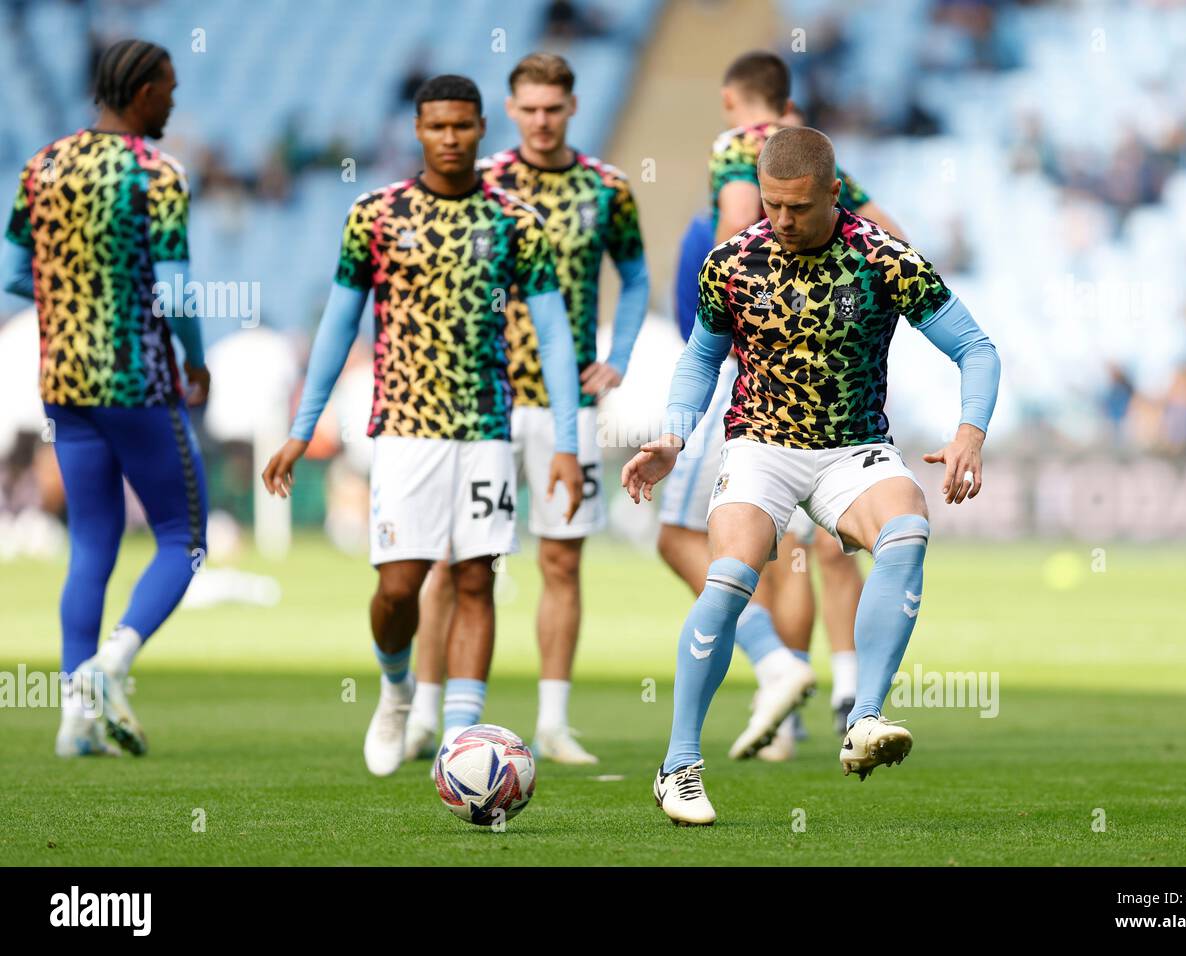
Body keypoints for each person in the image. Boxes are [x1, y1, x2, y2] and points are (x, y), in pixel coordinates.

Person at [623, 127, 1000, 825]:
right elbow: (701, 360)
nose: (784, 222)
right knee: (731, 573)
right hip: (758, 445)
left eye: (798, 207)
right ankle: (678, 766)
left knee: (908, 526)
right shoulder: (732, 261)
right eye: (772, 206)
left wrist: (969, 435)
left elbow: (976, 348)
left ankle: (863, 718)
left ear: (835, 191)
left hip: (852, 449)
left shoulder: (884, 259)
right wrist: (674, 437)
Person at [260, 75, 583, 777]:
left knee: (476, 578)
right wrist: (301, 425)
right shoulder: (375, 214)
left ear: (479, 129)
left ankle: (459, 745)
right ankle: (396, 688)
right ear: (417, 129)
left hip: (488, 431)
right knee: (399, 588)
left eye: (463, 126)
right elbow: (339, 322)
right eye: (437, 126)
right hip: (405, 429)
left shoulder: (513, 221)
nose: (450, 138)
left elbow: (554, 336)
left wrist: (565, 440)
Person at [405, 53, 649, 764]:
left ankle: (553, 723)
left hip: (564, 404)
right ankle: (427, 710)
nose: (542, 121)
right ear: (510, 112)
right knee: (454, 560)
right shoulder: (480, 186)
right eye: (530, 109)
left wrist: (621, 353)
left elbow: (635, 277)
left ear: (572, 107)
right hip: (480, 399)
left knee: (562, 563)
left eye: (554, 108)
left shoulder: (607, 189)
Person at [1, 39, 208, 758]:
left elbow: (13, 272)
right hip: (138, 381)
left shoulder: (42, 164)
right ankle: (109, 668)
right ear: (142, 90)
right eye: (169, 89)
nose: (174, 101)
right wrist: (195, 357)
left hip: (62, 383)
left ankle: (70, 722)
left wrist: (73, 292)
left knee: (90, 544)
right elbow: (178, 292)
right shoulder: (157, 172)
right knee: (184, 538)